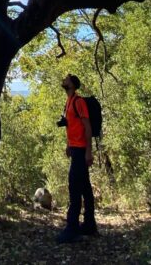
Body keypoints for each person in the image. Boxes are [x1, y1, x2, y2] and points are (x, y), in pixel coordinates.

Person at [56, 74, 97, 243]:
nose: (63, 80)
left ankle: (72, 228)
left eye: (66, 79)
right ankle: (89, 224)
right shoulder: (69, 101)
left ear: (72, 84)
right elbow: (72, 125)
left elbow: (87, 127)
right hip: (75, 147)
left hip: (81, 150)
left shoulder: (78, 102)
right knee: (85, 187)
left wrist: (88, 151)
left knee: (74, 186)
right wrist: (68, 145)